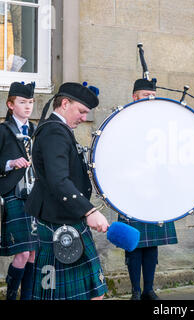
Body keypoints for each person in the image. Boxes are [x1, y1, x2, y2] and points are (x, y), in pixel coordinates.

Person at [25, 82, 109, 300]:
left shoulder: (57, 129)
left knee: (94, 292)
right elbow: (58, 180)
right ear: (64, 104)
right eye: (81, 111)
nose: (83, 118)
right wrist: (89, 211)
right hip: (59, 221)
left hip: (67, 217)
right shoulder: (54, 131)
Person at [117, 78, 178, 300]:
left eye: (153, 96)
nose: (151, 100)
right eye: (146, 96)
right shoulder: (122, 121)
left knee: (152, 245)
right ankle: (134, 290)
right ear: (135, 97)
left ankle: (148, 289)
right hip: (130, 190)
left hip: (156, 190)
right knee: (133, 243)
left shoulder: (159, 124)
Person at [0, 81, 38, 300]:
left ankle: (29, 297)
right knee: (23, 252)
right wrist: (10, 162)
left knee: (34, 252)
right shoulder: (3, 131)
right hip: (13, 194)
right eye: (23, 102)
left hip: (35, 196)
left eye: (31, 102)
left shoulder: (35, 131)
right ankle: (12, 295)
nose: (28, 106)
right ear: (10, 104)